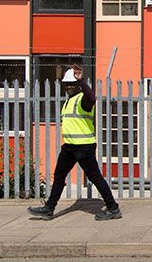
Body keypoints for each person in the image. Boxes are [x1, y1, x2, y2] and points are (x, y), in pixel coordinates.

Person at [28, 65, 123, 221]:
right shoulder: (69, 101)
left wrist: (81, 81)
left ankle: (113, 208)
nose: (69, 86)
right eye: (67, 84)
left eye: (72, 83)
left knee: (95, 178)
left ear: (78, 85)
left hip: (84, 146)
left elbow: (92, 98)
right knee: (59, 176)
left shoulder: (82, 99)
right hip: (70, 147)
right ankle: (49, 209)